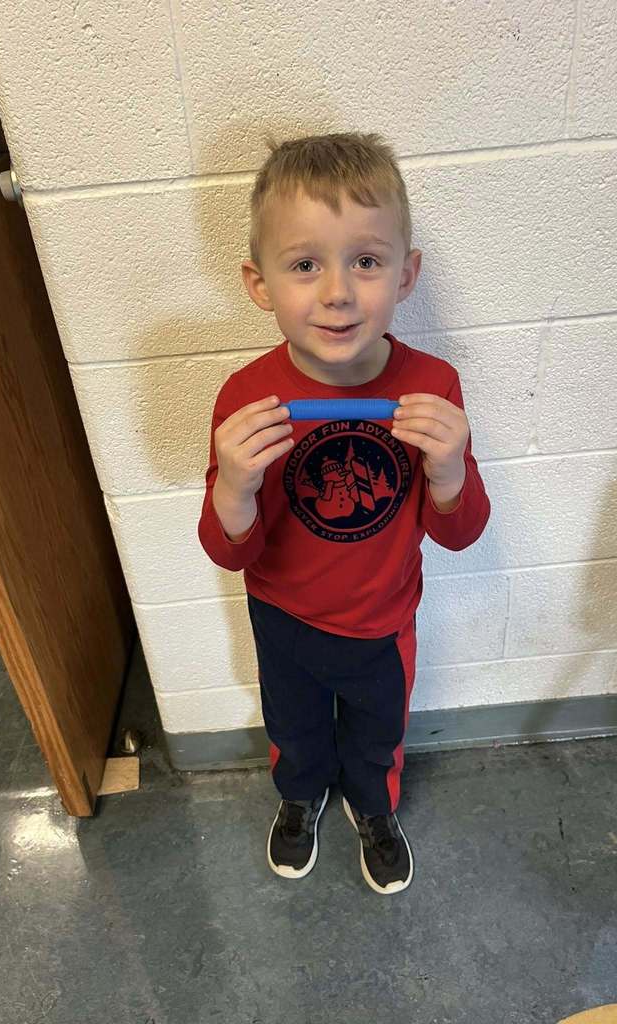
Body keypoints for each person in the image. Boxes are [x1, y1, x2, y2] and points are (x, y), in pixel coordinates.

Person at [198, 131, 491, 895]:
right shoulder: (244, 396)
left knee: (376, 735)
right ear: (259, 284)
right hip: (282, 615)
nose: (337, 291)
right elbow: (228, 550)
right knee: (293, 730)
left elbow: (456, 532)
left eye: (365, 260)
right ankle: (300, 797)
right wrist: (232, 487)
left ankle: (373, 808)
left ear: (406, 274)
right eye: (305, 264)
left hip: (380, 621)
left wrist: (451, 467)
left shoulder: (432, 383)